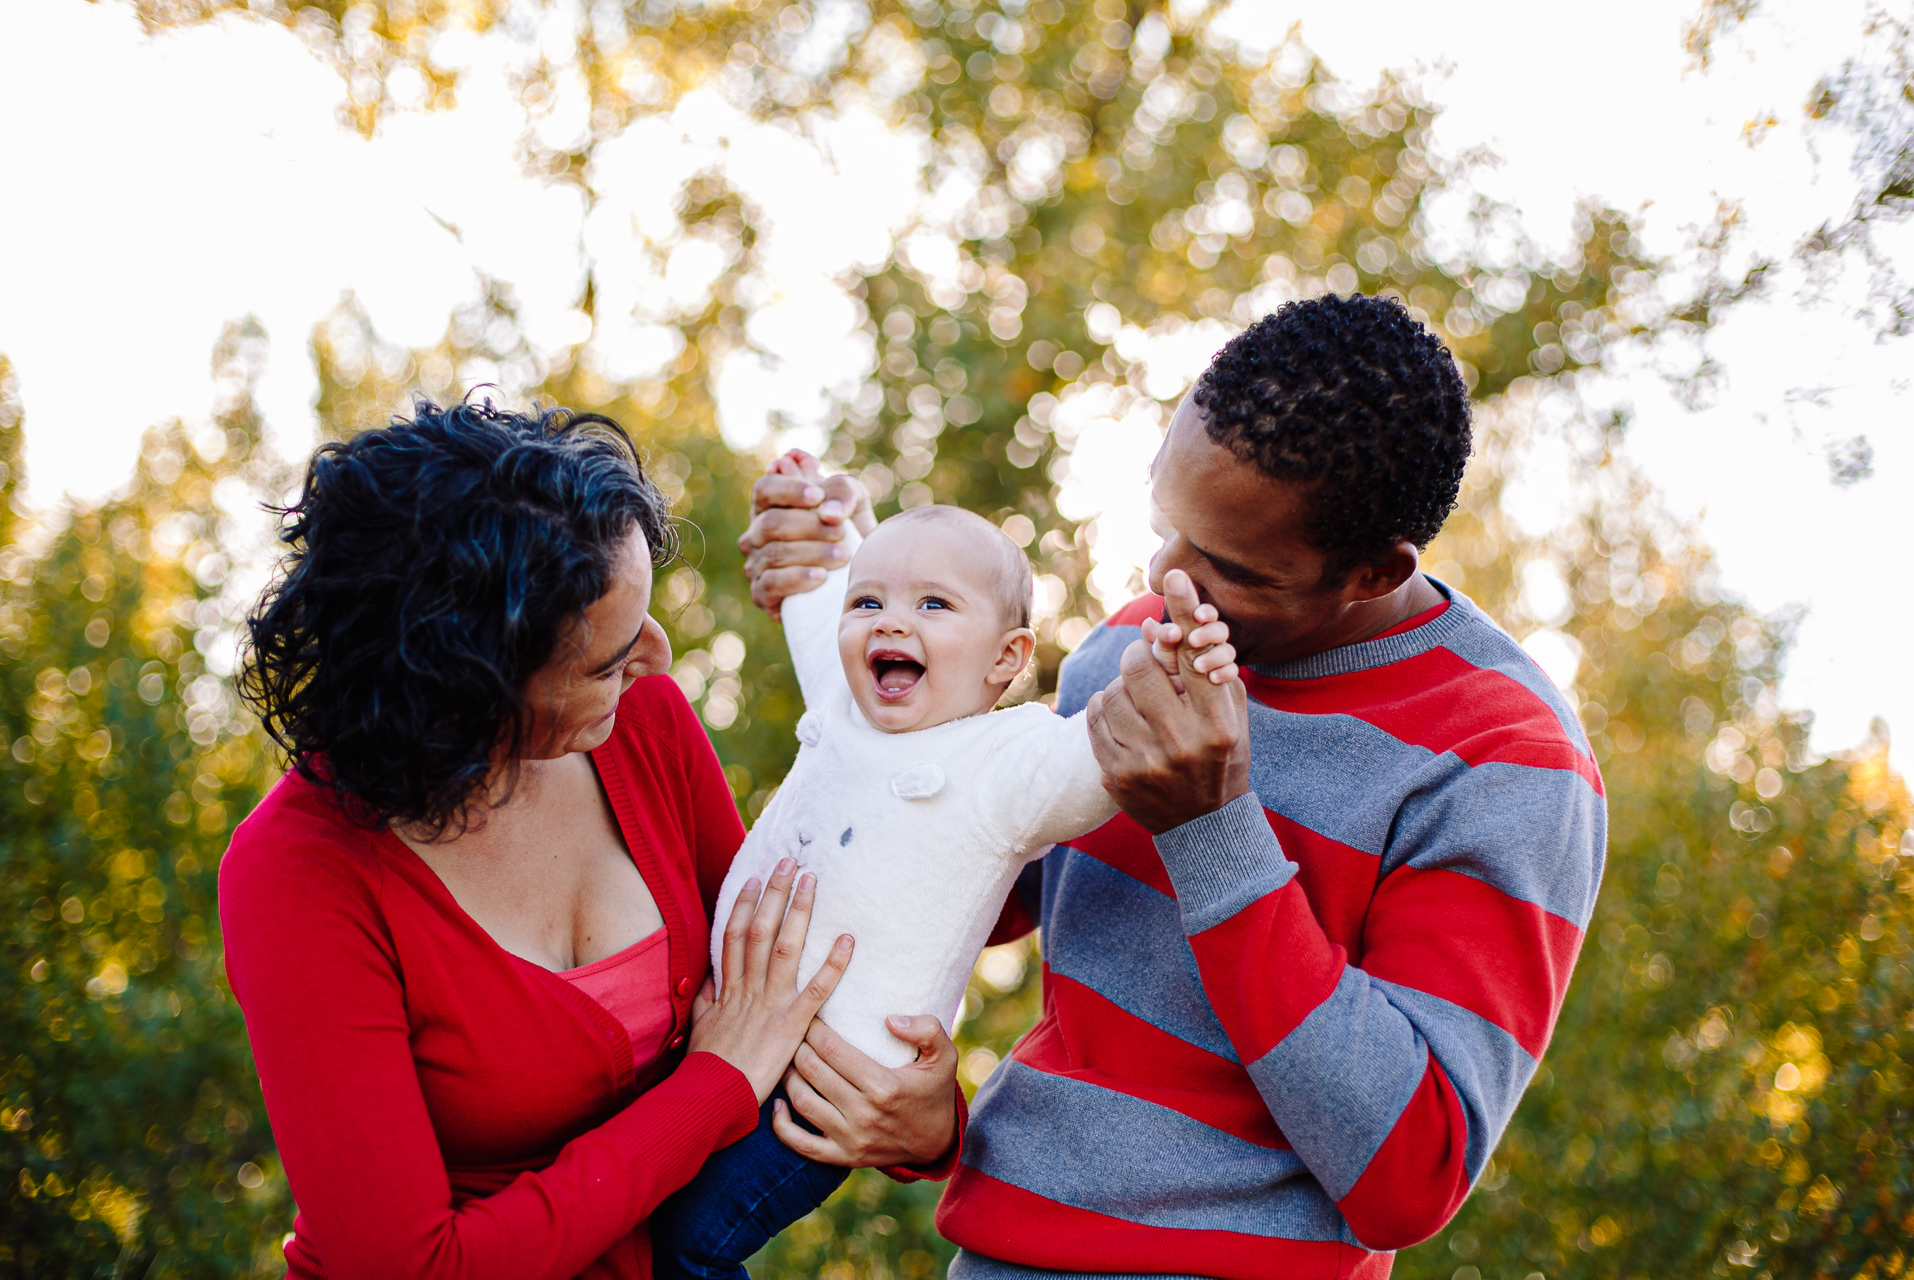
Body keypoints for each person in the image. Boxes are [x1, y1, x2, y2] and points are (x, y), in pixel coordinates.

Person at [740, 294, 1608, 1280]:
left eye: (1228, 566)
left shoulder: (1505, 760)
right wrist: (863, 591)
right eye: (1165, 523)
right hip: (996, 1253)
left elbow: (1410, 1177)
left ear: (1373, 570)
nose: (1164, 576)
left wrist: (1213, 829)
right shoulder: (1132, 640)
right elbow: (951, 882)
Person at [220, 400, 961, 1280]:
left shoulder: (644, 726)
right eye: (606, 657)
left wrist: (928, 1123)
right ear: (476, 687)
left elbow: (796, 989)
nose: (655, 655)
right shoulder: (299, 872)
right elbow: (412, 1267)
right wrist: (712, 1087)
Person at [655, 479, 1237, 1280]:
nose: (891, 620)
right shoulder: (843, 698)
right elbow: (817, 586)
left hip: (827, 1089)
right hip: (719, 1032)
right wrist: (810, 501)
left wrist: (1176, 671)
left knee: (683, 1243)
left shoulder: (1008, 765)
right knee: (631, 1212)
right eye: (871, 605)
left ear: (1006, 658)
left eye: (934, 606)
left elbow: (1111, 748)